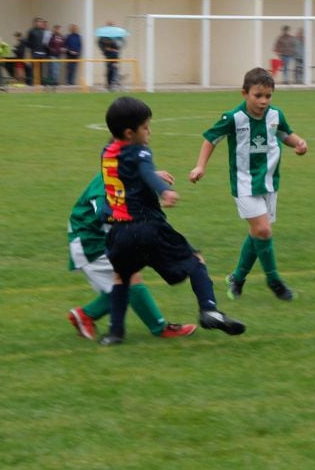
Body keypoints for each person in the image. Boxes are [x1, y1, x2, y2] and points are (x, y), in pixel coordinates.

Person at [99, 96, 246, 345]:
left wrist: (150, 176)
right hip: (147, 227)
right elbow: (144, 169)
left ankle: (115, 333)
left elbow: (128, 173)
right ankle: (209, 310)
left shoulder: (108, 152)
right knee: (196, 261)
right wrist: (163, 190)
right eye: (145, 127)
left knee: (122, 277)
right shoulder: (141, 151)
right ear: (129, 132)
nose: (150, 132)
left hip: (118, 231)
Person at [189, 67, 308, 301]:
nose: (263, 101)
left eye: (268, 96)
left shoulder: (275, 115)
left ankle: (238, 278)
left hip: (270, 182)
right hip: (244, 184)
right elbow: (210, 139)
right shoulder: (233, 117)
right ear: (244, 93)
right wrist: (200, 166)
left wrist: (299, 143)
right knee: (263, 230)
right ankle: (274, 281)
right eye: (258, 95)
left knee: (258, 232)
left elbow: (284, 134)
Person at [67, 173, 197, 341]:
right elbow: (103, 213)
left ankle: (85, 315)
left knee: (123, 283)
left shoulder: (118, 170)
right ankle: (160, 328)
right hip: (90, 240)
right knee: (129, 279)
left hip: (99, 235)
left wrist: (151, 175)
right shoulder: (106, 184)